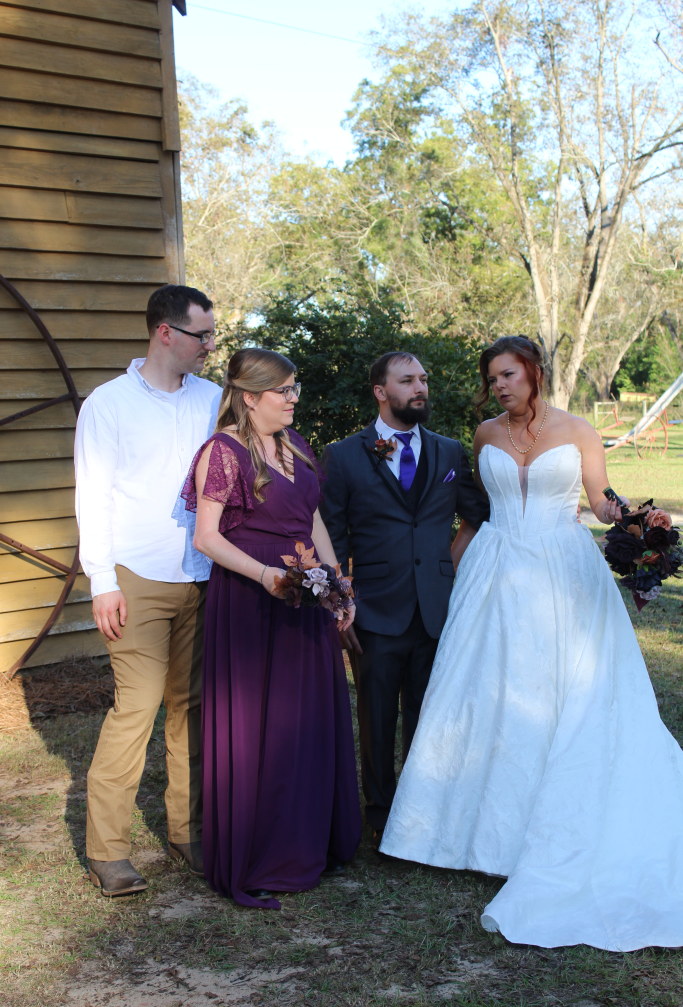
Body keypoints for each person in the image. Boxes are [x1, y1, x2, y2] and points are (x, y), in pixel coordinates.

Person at [380, 334, 683, 952]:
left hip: (562, 569)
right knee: (485, 691)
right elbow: (479, 511)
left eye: (509, 375)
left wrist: (636, 518)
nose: (499, 386)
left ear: (534, 373)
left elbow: (600, 502)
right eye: (492, 378)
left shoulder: (578, 430)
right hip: (495, 571)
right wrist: (445, 571)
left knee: (560, 693)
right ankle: (463, 834)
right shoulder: (485, 434)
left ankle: (545, 832)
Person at [182, 348, 361, 909]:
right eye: (283, 390)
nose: (292, 399)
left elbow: (313, 520)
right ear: (249, 397)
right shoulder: (222, 452)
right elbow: (207, 537)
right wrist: (266, 577)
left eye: (294, 389)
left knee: (305, 719)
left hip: (305, 594)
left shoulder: (295, 445)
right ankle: (264, 854)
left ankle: (310, 840)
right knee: (259, 725)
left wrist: (336, 585)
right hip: (251, 598)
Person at [74, 284, 222, 896]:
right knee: (135, 708)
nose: (210, 346)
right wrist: (102, 581)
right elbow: (93, 495)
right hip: (135, 576)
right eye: (201, 335)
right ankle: (108, 851)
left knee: (192, 709)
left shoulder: (213, 399)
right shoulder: (108, 404)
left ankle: (188, 832)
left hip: (204, 575)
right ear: (166, 332)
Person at [321, 352, 489, 844]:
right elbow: (333, 535)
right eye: (408, 380)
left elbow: (479, 513)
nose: (420, 388)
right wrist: (340, 602)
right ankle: (380, 815)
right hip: (372, 609)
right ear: (381, 391)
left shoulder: (448, 451)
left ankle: (421, 816)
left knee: (428, 714)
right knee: (376, 717)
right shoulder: (344, 455)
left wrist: (448, 565)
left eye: (424, 379)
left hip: (437, 608)